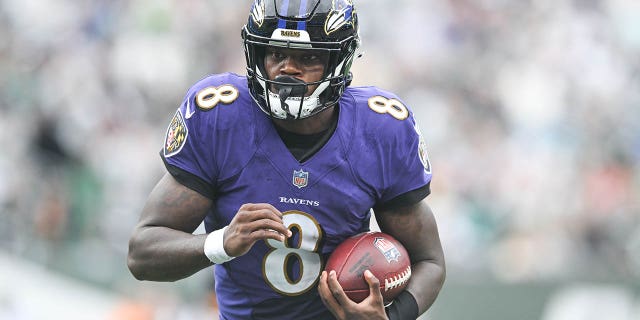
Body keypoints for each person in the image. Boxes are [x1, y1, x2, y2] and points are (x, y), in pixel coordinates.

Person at [127, 0, 445, 319]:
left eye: (307, 57)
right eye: (276, 54)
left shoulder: (381, 129)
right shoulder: (220, 117)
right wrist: (222, 242)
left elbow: (429, 261)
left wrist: (391, 317)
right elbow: (142, 253)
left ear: (339, 60)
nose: (288, 68)